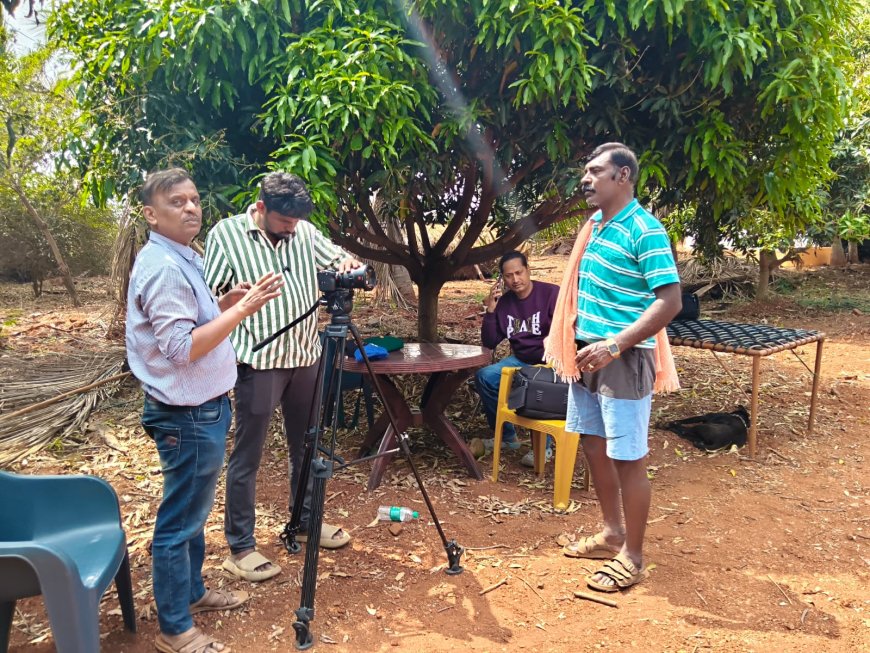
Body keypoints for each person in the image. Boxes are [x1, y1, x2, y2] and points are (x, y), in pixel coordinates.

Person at [127, 168, 284, 653]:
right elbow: (180, 348)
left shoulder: (182, 256)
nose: (191, 207)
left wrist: (222, 304)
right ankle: (176, 629)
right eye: (177, 202)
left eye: (194, 199)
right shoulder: (164, 266)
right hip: (187, 415)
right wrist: (243, 310)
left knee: (193, 511)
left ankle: (193, 592)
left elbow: (189, 322)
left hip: (202, 408)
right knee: (179, 522)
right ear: (152, 214)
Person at [204, 172, 361, 583]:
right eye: (283, 221)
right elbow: (208, 297)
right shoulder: (228, 234)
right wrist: (232, 297)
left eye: (295, 222)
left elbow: (337, 258)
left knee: (307, 446)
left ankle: (307, 520)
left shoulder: (304, 232)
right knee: (248, 455)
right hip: (258, 359)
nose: (291, 228)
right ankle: (240, 546)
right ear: (261, 209)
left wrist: (346, 263)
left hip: (306, 355)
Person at [544, 143, 681, 593]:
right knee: (593, 445)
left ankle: (634, 556)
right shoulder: (596, 226)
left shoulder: (646, 230)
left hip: (622, 358)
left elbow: (670, 301)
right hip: (585, 354)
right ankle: (611, 532)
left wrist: (617, 344)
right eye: (584, 170)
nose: (585, 179)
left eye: (595, 171)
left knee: (628, 458)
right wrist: (588, 346)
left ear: (623, 176)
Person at [476, 250, 559, 466]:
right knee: (485, 376)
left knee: (541, 385)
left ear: (528, 270)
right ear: (503, 279)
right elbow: (490, 342)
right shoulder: (504, 303)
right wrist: (491, 311)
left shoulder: (550, 294)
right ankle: (506, 437)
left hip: (548, 362)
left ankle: (544, 447)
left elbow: (566, 331)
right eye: (509, 276)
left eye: (519, 273)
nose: (515, 279)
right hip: (520, 361)